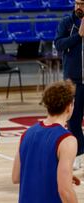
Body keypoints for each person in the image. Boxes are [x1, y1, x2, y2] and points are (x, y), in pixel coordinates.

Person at [12, 80, 79, 202]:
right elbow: (65, 191)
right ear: (69, 106)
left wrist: (56, 176)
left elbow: (16, 177)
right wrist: (64, 180)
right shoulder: (67, 140)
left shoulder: (27, 133)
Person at [54, 0, 84, 169]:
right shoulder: (66, 23)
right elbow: (58, 44)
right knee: (74, 120)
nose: (79, 7)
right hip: (73, 81)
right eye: (77, 3)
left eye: (82, 4)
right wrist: (78, 36)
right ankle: (79, 154)